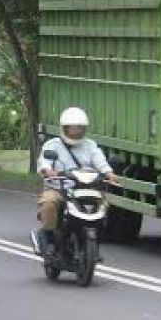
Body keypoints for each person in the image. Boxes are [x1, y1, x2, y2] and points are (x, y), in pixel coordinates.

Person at [37, 107, 119, 250]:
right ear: (65, 128)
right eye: (72, 128)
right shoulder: (52, 145)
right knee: (49, 202)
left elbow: (100, 161)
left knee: (103, 205)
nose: (76, 131)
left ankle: (96, 236)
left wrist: (108, 173)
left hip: (85, 188)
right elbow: (44, 161)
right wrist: (48, 171)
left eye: (79, 128)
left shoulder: (90, 145)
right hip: (59, 188)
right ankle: (48, 236)